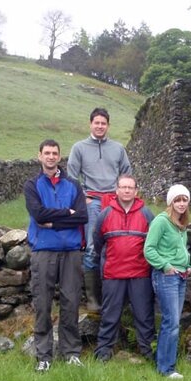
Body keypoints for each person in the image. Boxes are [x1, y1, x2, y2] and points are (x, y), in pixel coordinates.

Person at [25, 139, 89, 372]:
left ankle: (70, 352)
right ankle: (44, 355)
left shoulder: (73, 185)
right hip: (43, 251)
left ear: (60, 157)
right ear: (39, 155)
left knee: (71, 302)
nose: (51, 157)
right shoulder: (32, 185)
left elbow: (82, 216)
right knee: (42, 303)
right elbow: (39, 215)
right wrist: (65, 214)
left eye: (55, 153)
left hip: (71, 251)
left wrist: (54, 223)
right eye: (47, 153)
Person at [68, 107, 132, 311]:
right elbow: (71, 176)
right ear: (90, 124)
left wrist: (121, 196)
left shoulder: (118, 148)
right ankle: (94, 300)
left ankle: (114, 298)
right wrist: (82, 198)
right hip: (92, 201)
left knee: (117, 245)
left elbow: (126, 173)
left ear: (108, 126)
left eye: (103, 123)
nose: (100, 126)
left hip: (115, 202)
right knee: (93, 249)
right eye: (96, 122)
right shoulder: (79, 148)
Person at [92, 175, 155, 362]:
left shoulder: (146, 213)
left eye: (130, 187)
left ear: (136, 191)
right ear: (117, 190)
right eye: (123, 187)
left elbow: (153, 243)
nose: (127, 190)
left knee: (144, 316)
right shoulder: (105, 214)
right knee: (109, 316)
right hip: (113, 274)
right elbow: (97, 242)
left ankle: (149, 352)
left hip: (140, 274)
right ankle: (103, 353)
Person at [144, 184, 191, 379]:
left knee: (174, 322)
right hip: (166, 277)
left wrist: (188, 265)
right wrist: (165, 266)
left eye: (185, 200)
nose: (181, 204)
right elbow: (149, 249)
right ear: (170, 202)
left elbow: (179, 250)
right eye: (177, 200)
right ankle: (166, 368)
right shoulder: (161, 221)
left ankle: (167, 365)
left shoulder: (181, 223)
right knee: (170, 322)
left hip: (180, 276)